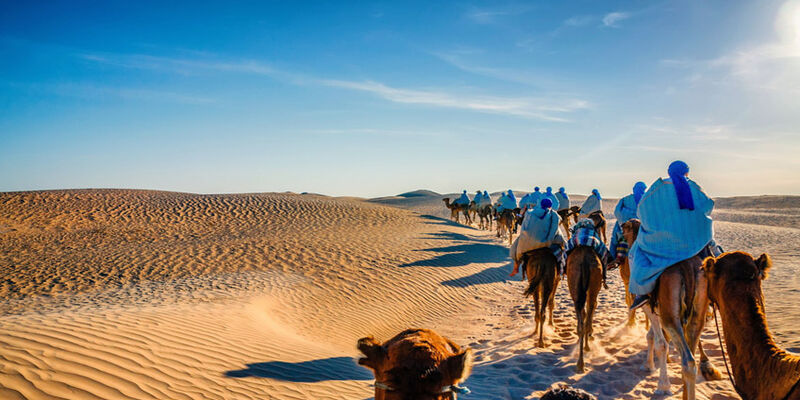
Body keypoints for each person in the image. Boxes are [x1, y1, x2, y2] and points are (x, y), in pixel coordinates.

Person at [629, 161, 722, 310]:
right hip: (694, 242)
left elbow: (641, 211)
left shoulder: (656, 189)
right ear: (687, 172)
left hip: (662, 244)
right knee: (716, 254)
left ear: (669, 172)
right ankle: (718, 293)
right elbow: (708, 205)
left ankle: (642, 293)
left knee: (634, 254)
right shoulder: (693, 187)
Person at [509, 198, 565, 276]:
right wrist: (548, 240)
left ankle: (516, 267)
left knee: (516, 246)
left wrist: (524, 235)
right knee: (563, 247)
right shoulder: (554, 215)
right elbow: (554, 229)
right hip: (547, 241)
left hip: (529, 240)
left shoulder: (530, 212)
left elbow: (524, 227)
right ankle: (561, 270)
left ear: (540, 204)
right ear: (550, 205)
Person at [566, 217, 613, 288]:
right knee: (604, 252)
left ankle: (562, 270)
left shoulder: (576, 232)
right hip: (592, 241)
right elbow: (603, 248)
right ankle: (604, 275)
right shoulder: (593, 232)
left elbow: (567, 248)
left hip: (577, 241)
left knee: (565, 252)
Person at [608, 182, 647, 264]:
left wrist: (623, 220)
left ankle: (611, 259)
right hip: (642, 225)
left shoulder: (625, 199)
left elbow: (617, 211)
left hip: (625, 224)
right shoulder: (646, 199)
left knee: (614, 238)